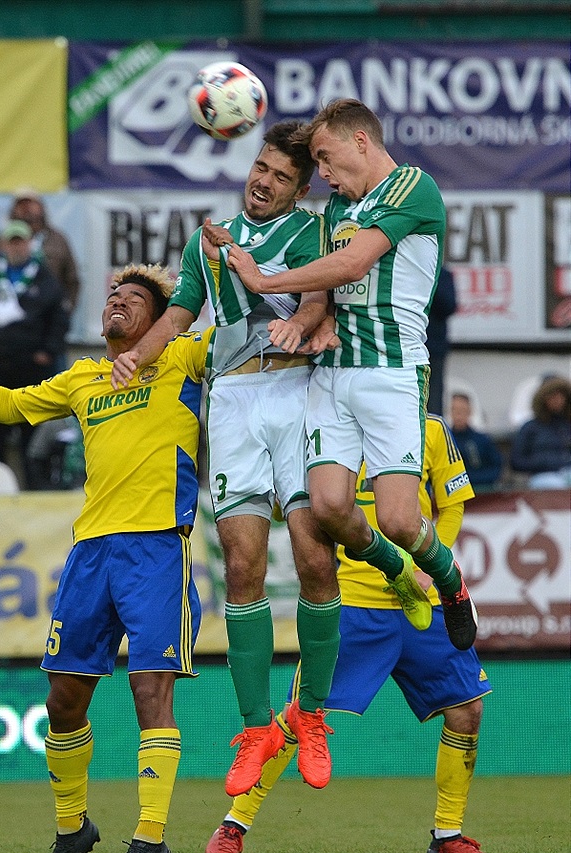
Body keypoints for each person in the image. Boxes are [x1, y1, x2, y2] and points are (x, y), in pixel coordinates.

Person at [0, 263, 215, 853]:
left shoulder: (183, 356)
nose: (116, 304)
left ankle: (150, 839)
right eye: (112, 297)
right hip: (91, 552)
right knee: (63, 699)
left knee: (152, 692)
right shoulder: (82, 379)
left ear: (160, 317)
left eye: (132, 299)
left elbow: (242, 324)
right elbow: (12, 407)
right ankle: (73, 828)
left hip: (159, 547)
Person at [111, 121, 364, 799]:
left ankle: (309, 712)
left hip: (299, 391)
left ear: (301, 187)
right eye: (260, 168)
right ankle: (257, 727)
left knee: (315, 557)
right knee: (244, 564)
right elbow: (182, 313)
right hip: (235, 401)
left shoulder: (315, 231)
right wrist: (142, 351)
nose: (263, 182)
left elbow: (317, 300)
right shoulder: (208, 240)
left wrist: (301, 324)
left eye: (280, 176)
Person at [224, 98, 478, 655]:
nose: (326, 175)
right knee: (331, 508)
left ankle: (451, 584)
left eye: (327, 158)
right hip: (334, 374)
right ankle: (396, 573)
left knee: (398, 519)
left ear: (360, 141)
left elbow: (355, 263)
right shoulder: (338, 208)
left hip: (391, 373)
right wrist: (317, 322)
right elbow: (335, 291)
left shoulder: (414, 187)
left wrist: (264, 283)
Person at [205, 414, 500, 853]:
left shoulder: (433, 429)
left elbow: (454, 503)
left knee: (467, 710)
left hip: (422, 600)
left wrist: (429, 567)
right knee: (298, 716)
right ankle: (232, 826)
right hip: (354, 602)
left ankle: (447, 835)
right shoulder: (324, 424)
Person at [0, 219, 69, 487]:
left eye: (21, 241)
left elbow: (59, 318)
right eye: (12, 241)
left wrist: (48, 352)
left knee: (30, 434)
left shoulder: (45, 280)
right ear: (3, 245)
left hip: (31, 369)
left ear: (29, 245)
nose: (16, 247)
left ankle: (33, 491)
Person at [0, 188, 81, 319]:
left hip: (47, 316)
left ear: (41, 207)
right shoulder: (3, 239)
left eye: (30, 203)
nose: (26, 208)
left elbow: (72, 279)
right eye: (21, 204)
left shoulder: (57, 239)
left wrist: (65, 311)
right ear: (14, 209)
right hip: (7, 319)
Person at [510, 376, 571, 489]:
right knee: (553, 485)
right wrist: (543, 462)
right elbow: (516, 461)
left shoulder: (567, 425)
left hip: (568, 472)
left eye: (560, 395)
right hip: (543, 476)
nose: (557, 400)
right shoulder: (530, 428)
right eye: (552, 395)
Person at [449, 393, 503, 493]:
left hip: (484, 491)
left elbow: (497, 467)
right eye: (455, 410)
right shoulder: (446, 441)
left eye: (462, 411)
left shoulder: (482, 440)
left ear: (470, 412)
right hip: (455, 492)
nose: (458, 415)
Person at [426, 265, 458, 417]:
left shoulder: (441, 274)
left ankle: (432, 439)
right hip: (404, 347)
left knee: (433, 402)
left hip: (433, 349)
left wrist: (430, 280)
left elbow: (449, 306)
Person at [25, 415, 86, 491]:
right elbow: (35, 457)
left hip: (93, 484)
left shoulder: (99, 422)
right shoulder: (54, 423)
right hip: (60, 486)